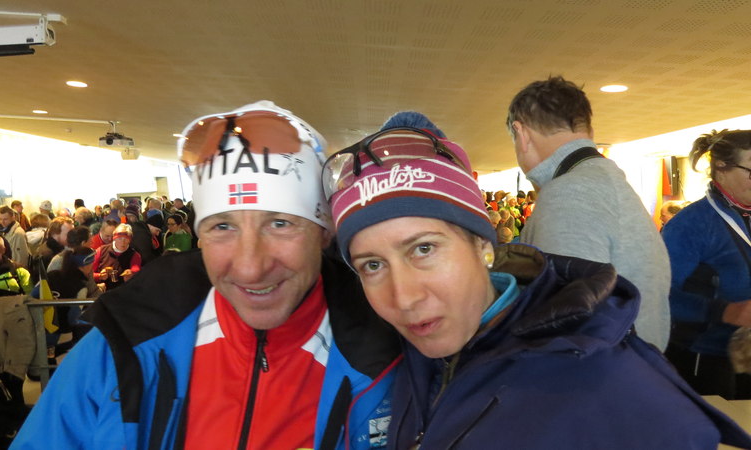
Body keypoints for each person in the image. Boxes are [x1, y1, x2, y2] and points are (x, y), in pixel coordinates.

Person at [322, 111, 751, 449]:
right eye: (372, 265)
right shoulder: (415, 359)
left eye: (424, 249)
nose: (403, 298)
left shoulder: (607, 385)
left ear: (483, 245)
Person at [12, 101, 400, 449]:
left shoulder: (390, 358)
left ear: (324, 233)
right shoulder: (118, 345)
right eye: (223, 227)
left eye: (280, 224)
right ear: (199, 237)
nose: (250, 267)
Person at [506, 75, 671, 350]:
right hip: (631, 364)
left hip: (597, 370)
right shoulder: (609, 184)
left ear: (521, 134)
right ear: (588, 130)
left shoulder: (568, 194)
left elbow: (563, 322)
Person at [662, 129, 751, 399]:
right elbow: (659, 294)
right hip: (704, 356)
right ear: (721, 169)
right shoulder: (691, 225)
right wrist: (725, 311)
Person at [92, 223, 141, 291]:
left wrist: (131, 273)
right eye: (120, 238)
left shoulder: (134, 255)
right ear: (114, 238)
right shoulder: (101, 251)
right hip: (103, 291)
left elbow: (136, 269)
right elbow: (90, 274)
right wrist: (99, 276)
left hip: (123, 291)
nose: (123, 242)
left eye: (126, 239)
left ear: (129, 240)